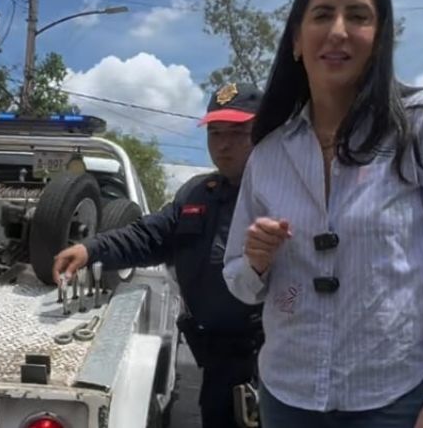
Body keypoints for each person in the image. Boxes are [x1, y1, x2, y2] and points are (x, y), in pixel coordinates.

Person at [221, 0, 423, 428]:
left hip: (396, 399)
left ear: (380, 36)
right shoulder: (268, 155)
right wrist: (258, 259)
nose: (339, 30)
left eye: (358, 16)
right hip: (288, 396)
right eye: (323, 14)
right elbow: (241, 286)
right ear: (297, 41)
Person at [52, 82, 264, 428]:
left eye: (238, 133)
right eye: (215, 132)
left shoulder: (282, 193)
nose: (224, 145)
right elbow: (147, 236)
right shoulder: (198, 194)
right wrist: (89, 249)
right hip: (217, 363)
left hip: (267, 362)